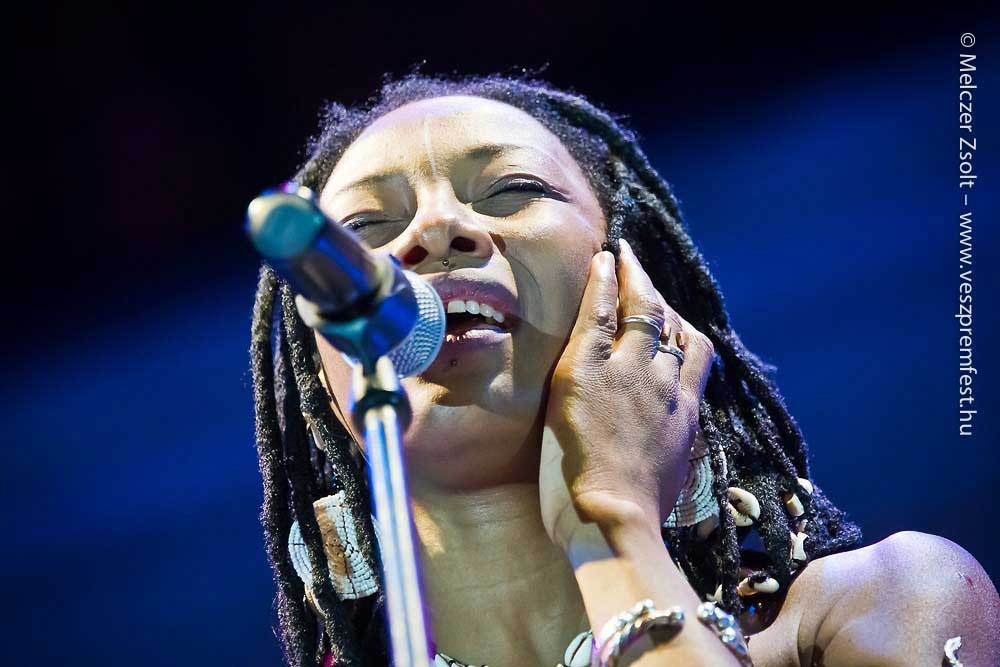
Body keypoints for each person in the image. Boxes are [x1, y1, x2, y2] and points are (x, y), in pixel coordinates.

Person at [249, 74, 999, 667]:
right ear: (321, 376)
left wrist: (610, 520)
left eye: (513, 189)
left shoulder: (881, 607)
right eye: (366, 228)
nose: (436, 229)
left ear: (637, 282)